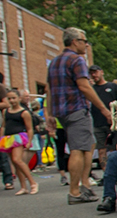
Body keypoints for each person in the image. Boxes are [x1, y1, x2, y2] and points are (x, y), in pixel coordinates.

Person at [46, 27, 112, 204]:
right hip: (76, 109)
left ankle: (85, 185)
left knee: (88, 144)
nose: (86, 44)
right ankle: (75, 192)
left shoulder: (54, 62)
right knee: (79, 149)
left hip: (61, 112)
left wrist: (50, 114)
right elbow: (84, 86)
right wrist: (104, 109)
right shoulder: (77, 60)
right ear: (75, 41)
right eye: (84, 41)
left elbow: (49, 90)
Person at [0, 86, 38, 195]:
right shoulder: (5, 111)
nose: (11, 101)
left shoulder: (24, 112)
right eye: (9, 98)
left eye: (14, 98)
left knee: (17, 160)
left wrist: (29, 141)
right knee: (15, 164)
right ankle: (23, 187)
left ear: (19, 98)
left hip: (19, 137)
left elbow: (30, 128)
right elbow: (3, 126)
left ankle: (33, 183)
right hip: (8, 138)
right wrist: (1, 139)